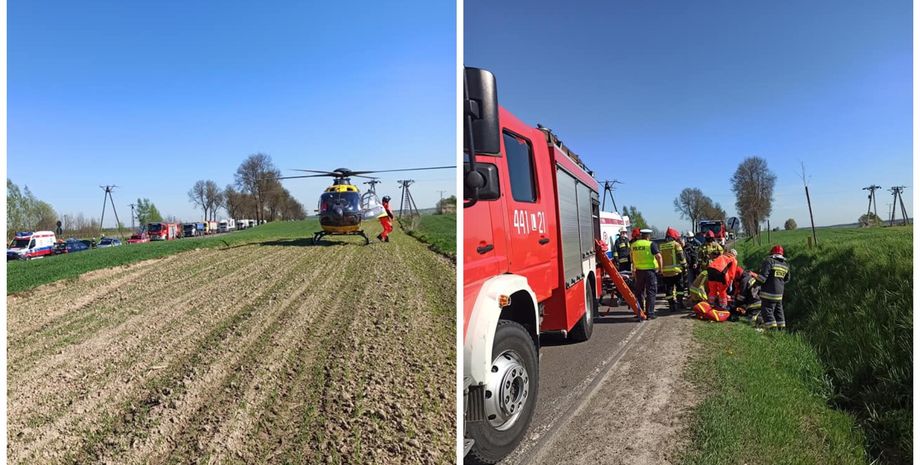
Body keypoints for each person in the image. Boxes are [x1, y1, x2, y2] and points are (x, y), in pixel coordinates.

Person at [756, 245, 791, 329]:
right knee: (779, 311)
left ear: (772, 253)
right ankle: (781, 328)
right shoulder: (785, 265)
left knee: (767, 310)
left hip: (768, 293)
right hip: (779, 294)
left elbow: (762, 278)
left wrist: (756, 282)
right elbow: (787, 279)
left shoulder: (769, 261)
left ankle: (772, 329)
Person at [630, 228, 662, 320]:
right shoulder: (651, 244)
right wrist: (660, 269)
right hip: (650, 272)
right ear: (648, 236)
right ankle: (650, 313)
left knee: (639, 292)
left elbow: (632, 259)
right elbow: (659, 256)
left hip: (639, 271)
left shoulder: (634, 245)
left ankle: (640, 313)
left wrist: (633, 271)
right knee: (651, 292)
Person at [659, 227, 687, 312]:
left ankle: (671, 305)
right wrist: (684, 266)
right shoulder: (676, 244)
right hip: (676, 271)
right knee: (680, 287)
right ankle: (680, 303)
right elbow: (681, 256)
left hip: (665, 272)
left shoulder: (661, 246)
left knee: (669, 288)